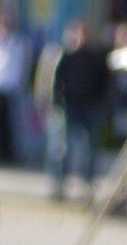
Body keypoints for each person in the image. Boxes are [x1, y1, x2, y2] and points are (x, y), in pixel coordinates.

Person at [34, 19, 114, 201]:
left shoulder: (95, 57)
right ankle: (59, 184)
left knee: (90, 148)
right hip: (69, 107)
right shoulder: (67, 56)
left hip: (90, 107)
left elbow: (104, 81)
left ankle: (88, 185)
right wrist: (57, 102)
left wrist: (101, 102)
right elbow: (57, 81)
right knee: (62, 147)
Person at [0, 15, 29, 164]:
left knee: (10, 123)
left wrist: (18, 85)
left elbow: (22, 67)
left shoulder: (18, 45)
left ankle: (9, 154)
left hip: (10, 89)